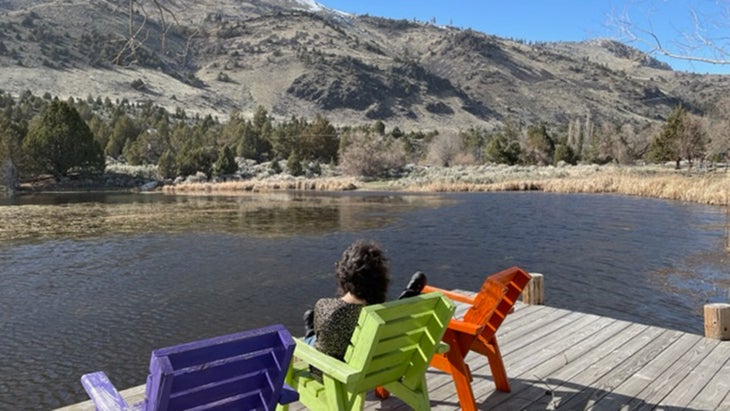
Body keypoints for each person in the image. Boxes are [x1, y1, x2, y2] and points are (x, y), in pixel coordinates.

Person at [302, 240, 427, 373]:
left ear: (343, 275)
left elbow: (323, 349)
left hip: (338, 376)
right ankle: (409, 295)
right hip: (380, 369)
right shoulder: (382, 314)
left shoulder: (325, 307)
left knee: (313, 339)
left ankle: (310, 332)